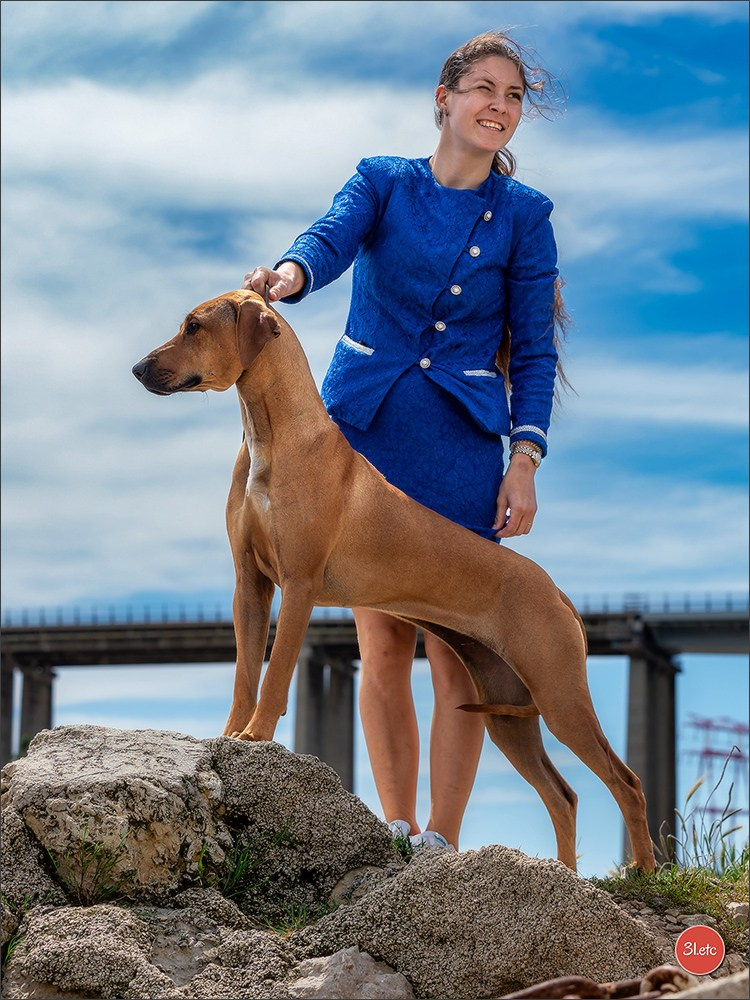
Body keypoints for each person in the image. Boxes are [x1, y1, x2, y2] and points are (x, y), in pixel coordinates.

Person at [243, 31, 566, 852]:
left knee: (457, 648)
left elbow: (533, 351)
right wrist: (288, 276)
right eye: (485, 89)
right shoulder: (383, 181)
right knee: (381, 640)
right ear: (445, 97)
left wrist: (523, 461)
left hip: (461, 449)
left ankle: (441, 843)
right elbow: (328, 239)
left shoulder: (526, 218)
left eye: (515, 96)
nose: (500, 105)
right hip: (362, 439)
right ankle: (396, 829)